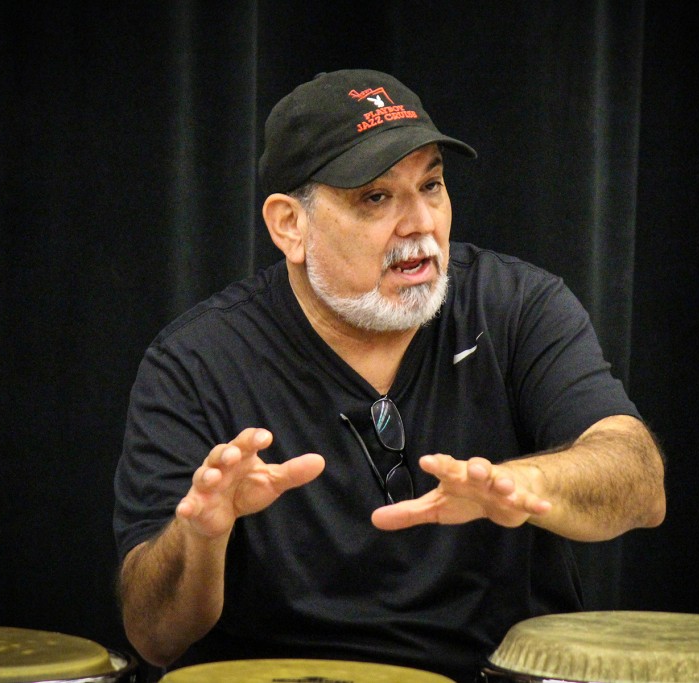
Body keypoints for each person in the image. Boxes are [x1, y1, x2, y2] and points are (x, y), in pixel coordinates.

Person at [113, 68, 665, 683]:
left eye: (431, 185)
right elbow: (154, 638)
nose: (420, 224)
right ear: (289, 225)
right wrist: (201, 535)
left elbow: (639, 482)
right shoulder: (197, 360)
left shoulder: (517, 308)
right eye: (376, 198)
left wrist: (523, 483)